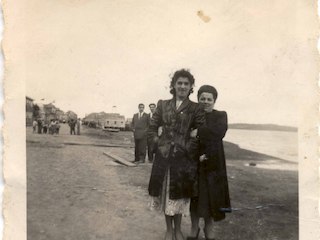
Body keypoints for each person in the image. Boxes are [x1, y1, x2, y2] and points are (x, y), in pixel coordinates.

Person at [148, 69, 205, 240]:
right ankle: (168, 229)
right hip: (163, 158)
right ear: (173, 85)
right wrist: (158, 143)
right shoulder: (163, 104)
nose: (182, 86)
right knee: (165, 194)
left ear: (190, 87)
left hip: (183, 160)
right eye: (179, 83)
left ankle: (178, 229)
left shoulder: (196, 108)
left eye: (186, 84)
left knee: (178, 194)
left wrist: (187, 147)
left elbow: (200, 132)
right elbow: (152, 128)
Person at [187, 85, 231, 240]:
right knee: (195, 195)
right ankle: (194, 228)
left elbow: (219, 132)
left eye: (209, 99)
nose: (205, 102)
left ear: (214, 101)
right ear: (198, 100)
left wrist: (198, 132)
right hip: (195, 162)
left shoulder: (221, 115)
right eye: (202, 99)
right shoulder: (192, 115)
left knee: (211, 196)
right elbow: (187, 135)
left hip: (214, 163)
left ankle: (208, 227)